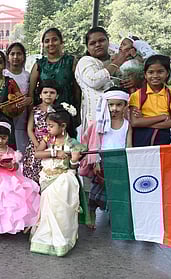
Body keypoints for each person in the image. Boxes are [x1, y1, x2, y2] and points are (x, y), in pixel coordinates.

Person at [30, 103, 87, 256]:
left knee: (60, 210)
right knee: (47, 210)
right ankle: (45, 239)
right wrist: (54, 153)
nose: (47, 128)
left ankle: (62, 239)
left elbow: (74, 166)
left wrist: (74, 159)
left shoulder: (73, 143)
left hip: (63, 180)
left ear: (63, 126)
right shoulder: (48, 139)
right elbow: (37, 154)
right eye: (47, 125)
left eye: (50, 125)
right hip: (47, 178)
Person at [80, 87, 132, 229]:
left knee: (114, 192)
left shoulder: (127, 125)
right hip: (101, 162)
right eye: (111, 104)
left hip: (118, 164)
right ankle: (91, 213)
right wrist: (95, 161)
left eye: (119, 104)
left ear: (125, 105)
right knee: (95, 192)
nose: (114, 108)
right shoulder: (100, 123)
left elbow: (129, 145)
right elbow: (92, 142)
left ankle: (112, 215)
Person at [75, 27, 130, 132]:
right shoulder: (85, 61)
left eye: (101, 40)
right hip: (96, 120)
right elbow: (94, 81)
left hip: (121, 119)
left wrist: (133, 80)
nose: (97, 45)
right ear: (87, 47)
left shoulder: (117, 59)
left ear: (108, 41)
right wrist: (117, 62)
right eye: (92, 43)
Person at [29, 28, 81, 126]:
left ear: (61, 42)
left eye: (54, 39)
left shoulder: (70, 62)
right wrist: (31, 115)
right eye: (47, 41)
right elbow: (31, 92)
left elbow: (77, 89)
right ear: (43, 44)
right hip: (44, 115)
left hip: (66, 111)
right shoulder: (39, 64)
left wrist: (78, 112)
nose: (51, 43)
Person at [129, 55, 171, 146]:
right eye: (151, 72)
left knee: (162, 160)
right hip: (141, 139)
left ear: (167, 73)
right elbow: (135, 122)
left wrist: (144, 121)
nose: (155, 76)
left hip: (162, 139)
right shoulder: (136, 96)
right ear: (145, 75)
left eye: (160, 72)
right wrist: (163, 117)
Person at [23, 80, 58, 185]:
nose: (48, 95)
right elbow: (29, 129)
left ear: (57, 96)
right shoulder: (35, 109)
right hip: (36, 144)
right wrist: (37, 145)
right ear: (40, 95)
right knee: (33, 176)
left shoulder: (59, 110)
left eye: (52, 93)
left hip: (52, 144)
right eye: (45, 92)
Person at [4, 42, 33, 154]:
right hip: (6, 114)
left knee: (21, 147)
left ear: (23, 57)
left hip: (23, 115)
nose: (15, 57)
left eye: (19, 54)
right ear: (8, 57)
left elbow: (31, 95)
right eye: (12, 54)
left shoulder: (27, 75)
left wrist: (29, 100)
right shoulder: (3, 74)